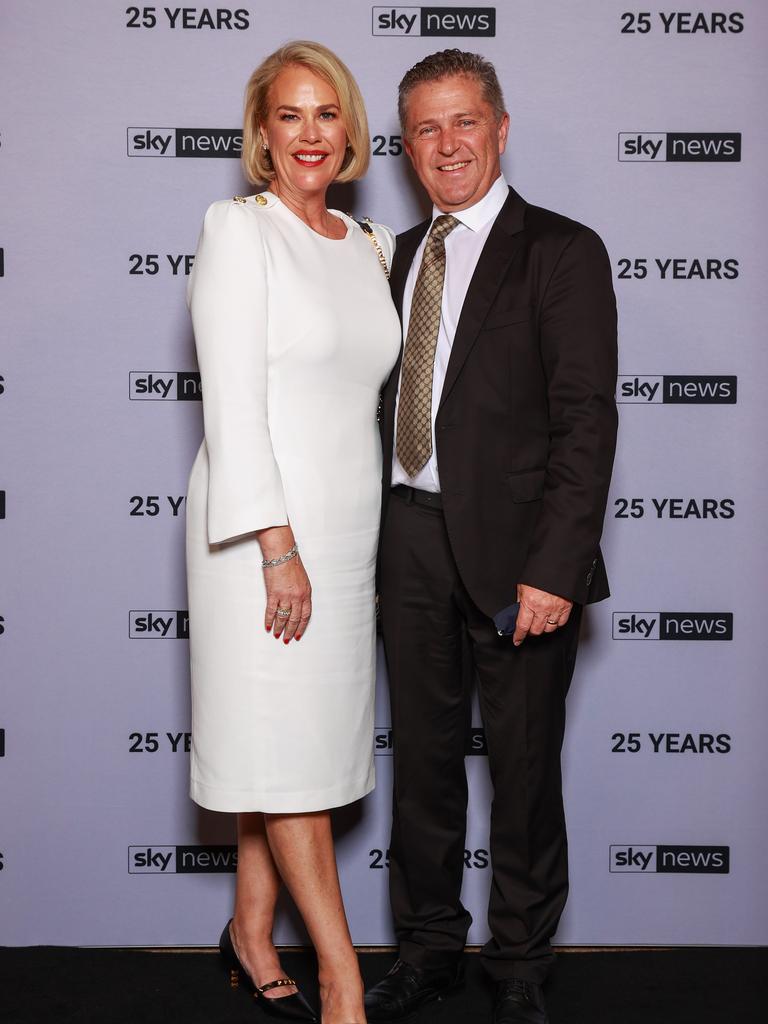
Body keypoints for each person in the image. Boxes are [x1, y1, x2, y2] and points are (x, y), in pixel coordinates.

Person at [364, 50, 618, 1024]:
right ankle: (428, 945)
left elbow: (586, 420)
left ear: (500, 129)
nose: (446, 144)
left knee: (521, 768)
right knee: (422, 763)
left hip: (521, 557)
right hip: (408, 541)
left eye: (463, 122)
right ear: (407, 146)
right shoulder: (388, 259)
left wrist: (556, 565)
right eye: (425, 129)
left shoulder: (561, 249)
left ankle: (518, 961)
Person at [185, 40, 401, 1024]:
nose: (309, 133)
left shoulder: (371, 246)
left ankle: (247, 926)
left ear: (349, 129)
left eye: (327, 114)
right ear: (261, 135)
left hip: (350, 534)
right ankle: (343, 980)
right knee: (292, 756)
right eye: (289, 115)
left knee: (290, 744)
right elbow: (231, 405)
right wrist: (276, 544)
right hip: (261, 536)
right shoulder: (240, 230)